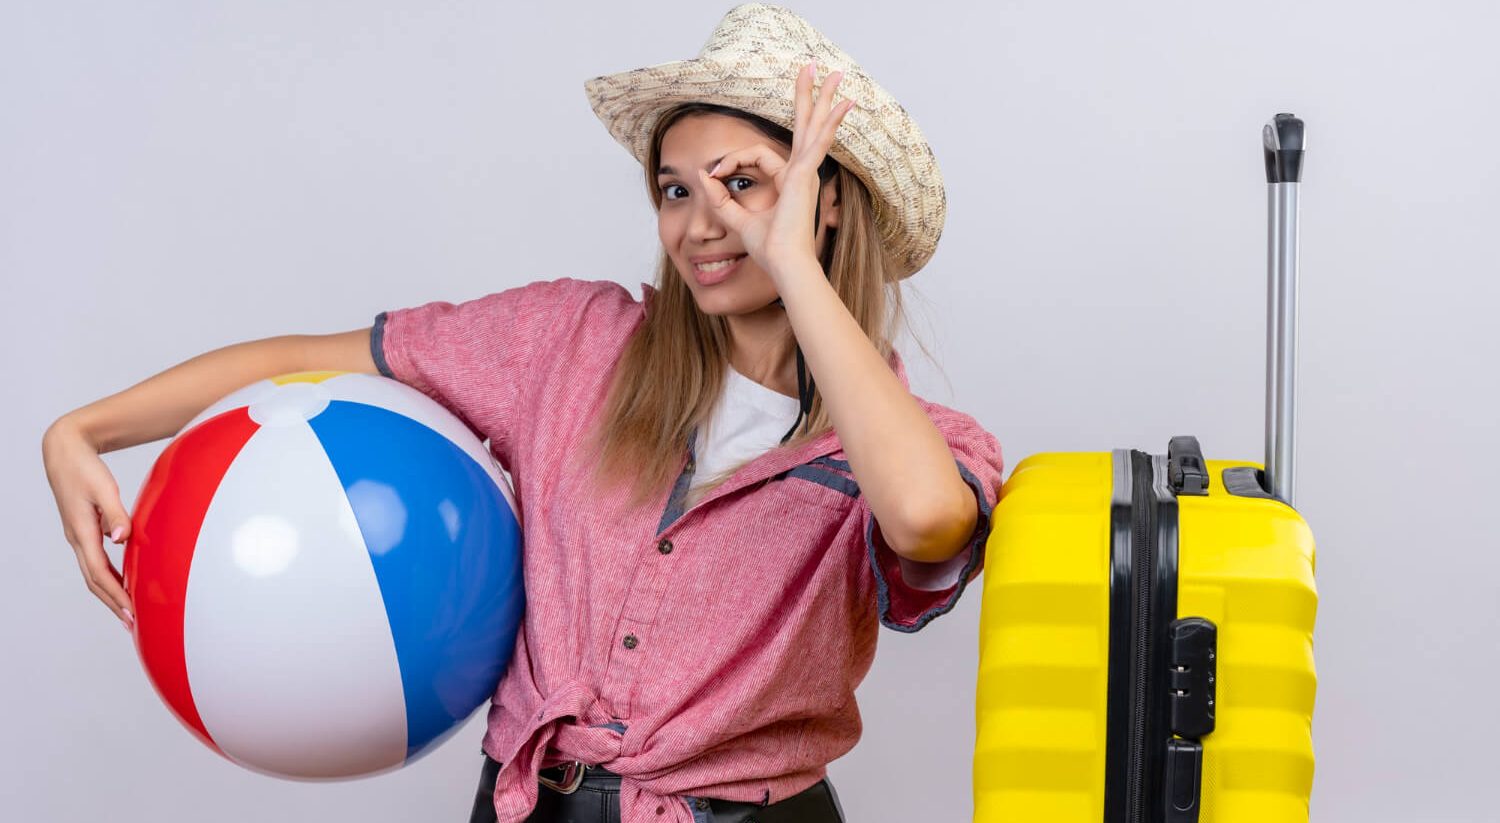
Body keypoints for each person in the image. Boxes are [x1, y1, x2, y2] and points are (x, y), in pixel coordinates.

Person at [40, 4, 1002, 822]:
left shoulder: (914, 444)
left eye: (742, 183)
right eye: (674, 189)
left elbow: (923, 518)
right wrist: (79, 430)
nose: (700, 223)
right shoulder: (571, 343)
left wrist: (792, 264)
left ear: (826, 204)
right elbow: (302, 361)